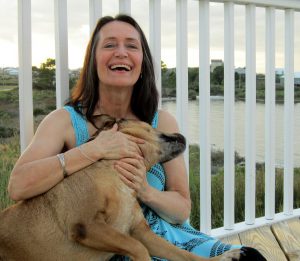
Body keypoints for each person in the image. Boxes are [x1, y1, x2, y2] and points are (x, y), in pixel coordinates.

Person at [8, 14, 264, 260]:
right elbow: (18, 186)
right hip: (103, 249)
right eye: (110, 45)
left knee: (251, 257)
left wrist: (144, 190)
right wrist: (92, 151)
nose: (121, 52)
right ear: (93, 61)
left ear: (142, 62)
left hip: (168, 240)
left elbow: (182, 210)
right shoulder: (64, 121)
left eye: (132, 46)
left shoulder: (160, 122)